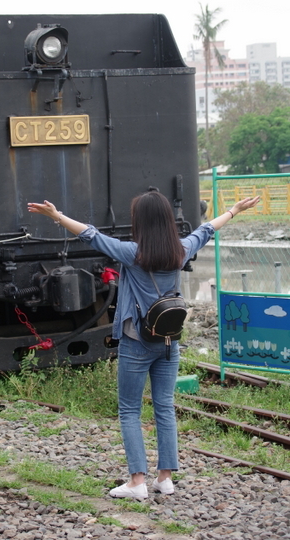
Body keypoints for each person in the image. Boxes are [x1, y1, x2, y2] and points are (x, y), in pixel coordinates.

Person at [28, 190, 260, 500]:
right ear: (165, 220)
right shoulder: (180, 250)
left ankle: (137, 481)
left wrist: (57, 217)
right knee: (164, 407)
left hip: (137, 343)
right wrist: (234, 210)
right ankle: (165, 478)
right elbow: (205, 230)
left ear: (141, 222)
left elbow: (91, 235)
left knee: (129, 411)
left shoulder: (132, 253)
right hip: (168, 342)